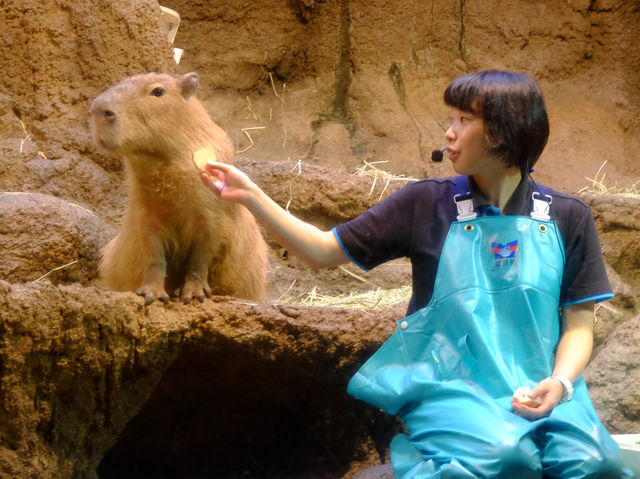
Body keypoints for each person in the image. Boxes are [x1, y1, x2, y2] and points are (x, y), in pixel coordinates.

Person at [201, 70, 630, 478]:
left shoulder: (569, 216)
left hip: (545, 384)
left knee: (597, 467)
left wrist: (559, 383)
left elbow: (579, 325)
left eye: (464, 119)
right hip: (453, 386)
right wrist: (252, 196)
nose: (449, 132)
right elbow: (323, 251)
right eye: (450, 119)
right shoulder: (424, 203)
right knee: (504, 460)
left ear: (502, 132)